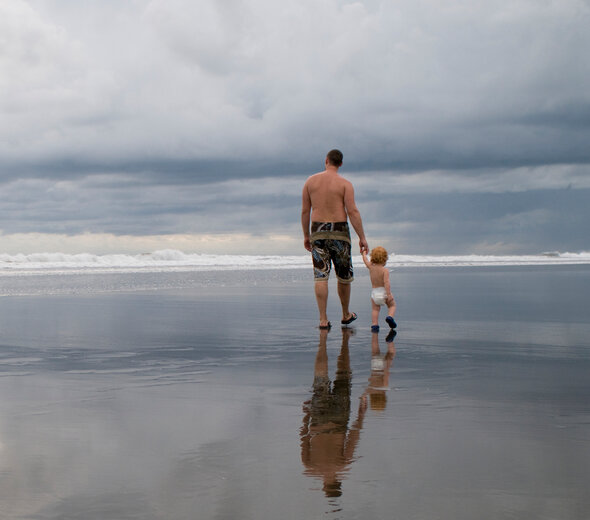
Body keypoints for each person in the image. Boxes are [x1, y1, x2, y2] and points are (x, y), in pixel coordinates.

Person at [301, 149, 369, 329]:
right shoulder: (345, 184)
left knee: (321, 276)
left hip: (318, 231)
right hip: (340, 231)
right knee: (343, 277)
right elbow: (352, 211)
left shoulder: (310, 182)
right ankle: (346, 314)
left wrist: (306, 235)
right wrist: (362, 237)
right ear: (340, 164)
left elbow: (305, 211)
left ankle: (323, 319)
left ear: (326, 160)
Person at [362, 246, 397, 332]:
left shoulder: (371, 267)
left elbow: (365, 261)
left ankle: (374, 325)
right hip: (384, 292)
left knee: (375, 309)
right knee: (392, 305)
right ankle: (390, 317)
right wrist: (388, 294)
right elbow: (386, 283)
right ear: (385, 259)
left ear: (373, 257)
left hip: (375, 292)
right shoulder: (385, 270)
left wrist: (363, 253)